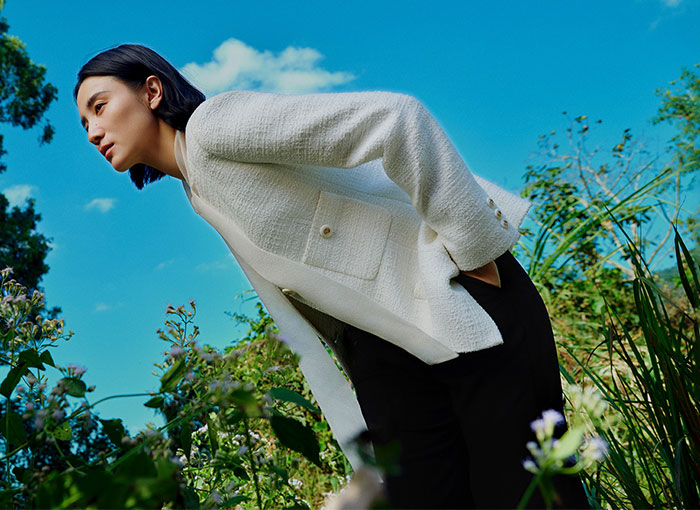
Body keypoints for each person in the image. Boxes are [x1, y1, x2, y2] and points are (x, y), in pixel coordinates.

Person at [74, 43, 590, 509]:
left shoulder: (213, 127)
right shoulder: (196, 188)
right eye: (84, 123)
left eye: (99, 107)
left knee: (524, 492)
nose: (94, 132)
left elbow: (397, 118)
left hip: (459, 299)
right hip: (388, 346)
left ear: (152, 91)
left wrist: (476, 250)